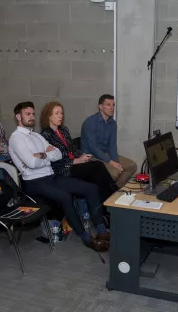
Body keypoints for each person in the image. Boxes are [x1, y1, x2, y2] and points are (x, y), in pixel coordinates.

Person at [9, 102, 109, 253]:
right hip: (34, 182)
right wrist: (47, 155)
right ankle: (86, 238)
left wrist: (42, 155)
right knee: (65, 196)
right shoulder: (16, 138)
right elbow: (31, 163)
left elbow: (58, 154)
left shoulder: (36, 135)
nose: (32, 117)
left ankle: (101, 230)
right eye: (27, 114)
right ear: (18, 117)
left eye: (33, 114)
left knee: (91, 188)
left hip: (51, 177)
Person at [40, 101, 116, 202]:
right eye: (57, 113)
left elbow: (72, 148)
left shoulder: (63, 130)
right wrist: (77, 161)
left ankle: (108, 203)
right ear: (49, 116)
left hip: (75, 164)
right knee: (97, 166)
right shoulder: (45, 135)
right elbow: (56, 161)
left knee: (96, 175)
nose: (60, 116)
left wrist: (82, 156)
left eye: (62, 113)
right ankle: (114, 195)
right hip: (64, 170)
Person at [80, 94, 137, 189]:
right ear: (100, 107)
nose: (112, 108)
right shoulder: (90, 122)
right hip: (91, 157)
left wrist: (116, 162)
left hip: (105, 154)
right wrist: (111, 163)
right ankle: (107, 193)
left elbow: (112, 146)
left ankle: (115, 190)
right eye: (108, 105)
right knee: (115, 173)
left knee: (132, 166)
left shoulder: (112, 123)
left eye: (113, 105)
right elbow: (94, 149)